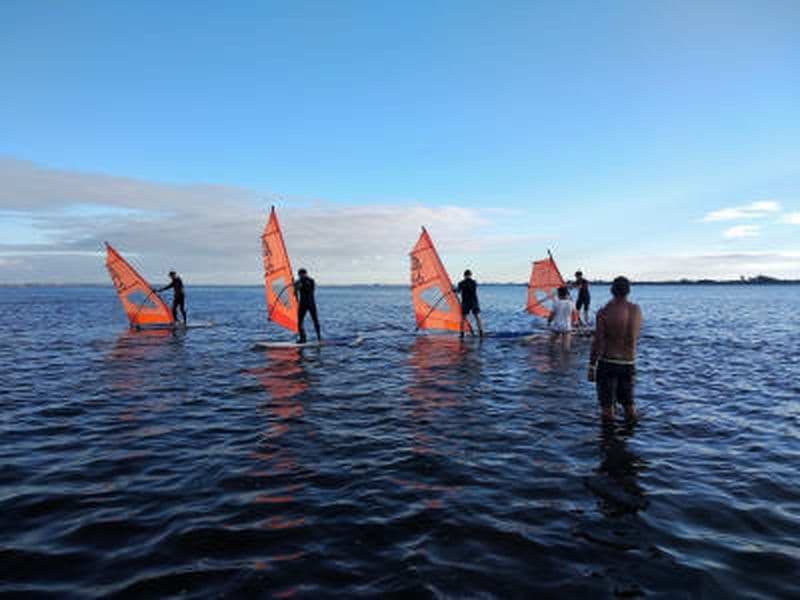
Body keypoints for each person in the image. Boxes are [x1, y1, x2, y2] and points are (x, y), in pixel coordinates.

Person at [588, 276, 643, 422]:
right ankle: (629, 438)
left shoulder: (604, 312)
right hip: (629, 363)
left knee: (607, 410)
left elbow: (598, 341)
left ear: (611, 290)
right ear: (628, 291)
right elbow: (635, 335)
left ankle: (608, 442)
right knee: (629, 406)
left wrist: (592, 365)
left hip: (608, 362)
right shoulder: (637, 311)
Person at [455, 269, 484, 338]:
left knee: (463, 318)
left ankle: (462, 334)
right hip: (474, 302)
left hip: (466, 302)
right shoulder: (474, 282)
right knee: (477, 317)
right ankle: (481, 333)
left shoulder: (461, 283)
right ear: (470, 275)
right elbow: (472, 288)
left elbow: (458, 291)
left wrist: (454, 290)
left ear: (464, 275)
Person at [294, 268, 320, 343]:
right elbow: (295, 294)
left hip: (309, 304)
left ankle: (318, 338)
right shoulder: (299, 282)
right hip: (305, 304)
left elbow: (310, 289)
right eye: (299, 275)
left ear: (304, 274)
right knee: (299, 322)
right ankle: (303, 338)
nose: (300, 276)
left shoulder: (310, 281)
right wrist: (295, 288)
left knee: (315, 320)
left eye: (301, 274)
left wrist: (299, 286)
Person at [547, 286, 575, 350]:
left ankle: (552, 356)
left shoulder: (556, 303)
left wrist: (549, 321)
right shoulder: (571, 303)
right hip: (567, 327)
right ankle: (566, 358)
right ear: (567, 294)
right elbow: (574, 315)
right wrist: (573, 323)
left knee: (551, 343)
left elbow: (552, 315)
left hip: (557, 326)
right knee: (566, 346)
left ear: (558, 294)